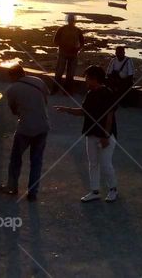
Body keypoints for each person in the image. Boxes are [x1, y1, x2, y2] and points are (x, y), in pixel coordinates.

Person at [55, 66, 120, 203]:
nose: (86, 81)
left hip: (105, 135)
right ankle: (95, 191)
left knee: (105, 163)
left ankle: (113, 189)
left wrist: (105, 136)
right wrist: (66, 109)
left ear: (94, 78)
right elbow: (84, 112)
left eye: (87, 78)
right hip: (91, 133)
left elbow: (109, 115)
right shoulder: (90, 94)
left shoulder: (108, 93)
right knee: (93, 163)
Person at [0, 65, 50, 201]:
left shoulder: (12, 89)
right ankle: (33, 193)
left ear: (12, 76)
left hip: (25, 128)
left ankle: (12, 186)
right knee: (36, 161)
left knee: (16, 158)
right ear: (24, 72)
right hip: (42, 126)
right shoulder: (38, 81)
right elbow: (45, 99)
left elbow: (14, 110)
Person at [53, 13, 85, 93]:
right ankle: (55, 90)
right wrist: (63, 46)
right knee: (59, 72)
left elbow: (82, 43)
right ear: (68, 20)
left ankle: (67, 91)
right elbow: (55, 41)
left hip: (73, 54)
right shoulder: (62, 29)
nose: (71, 22)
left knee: (70, 74)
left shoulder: (78, 31)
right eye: (70, 20)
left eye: (72, 20)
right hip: (63, 54)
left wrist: (77, 49)